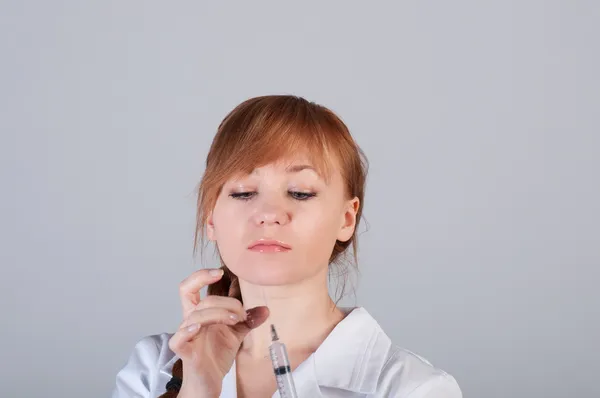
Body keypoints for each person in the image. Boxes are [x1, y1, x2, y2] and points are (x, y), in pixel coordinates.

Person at [111, 95, 462, 398]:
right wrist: (198, 388)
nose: (268, 214)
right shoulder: (153, 371)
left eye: (300, 193)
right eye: (244, 192)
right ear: (211, 218)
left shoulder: (414, 389)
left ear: (347, 218)